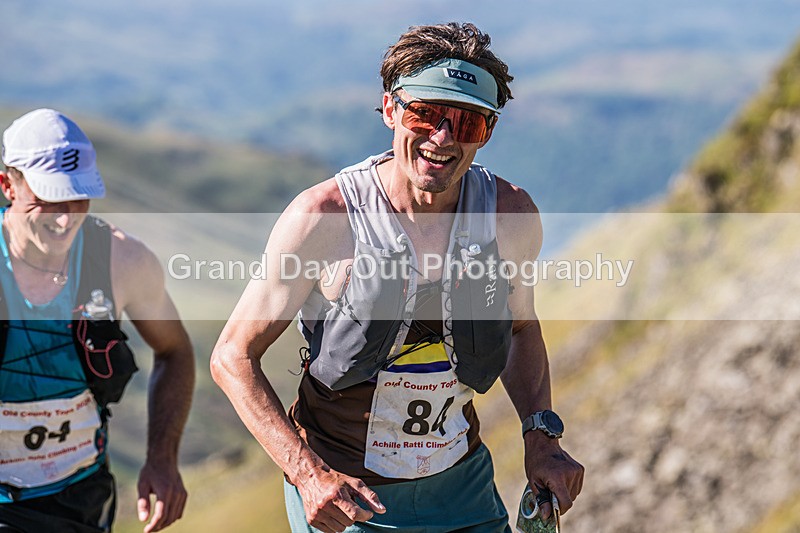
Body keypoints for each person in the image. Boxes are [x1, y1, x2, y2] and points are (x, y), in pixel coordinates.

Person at [211, 22, 584, 533]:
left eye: (468, 123)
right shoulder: (326, 218)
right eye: (425, 114)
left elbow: (521, 329)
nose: (443, 137)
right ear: (390, 109)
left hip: (465, 488)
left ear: (488, 132)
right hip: (348, 500)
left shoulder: (509, 216)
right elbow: (232, 356)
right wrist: (306, 474)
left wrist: (541, 438)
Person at [0, 109, 195, 533]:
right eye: (49, 198)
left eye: (79, 197)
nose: (66, 218)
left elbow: (175, 350)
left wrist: (162, 458)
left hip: (84, 499)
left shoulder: (122, 260)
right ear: (6, 185)